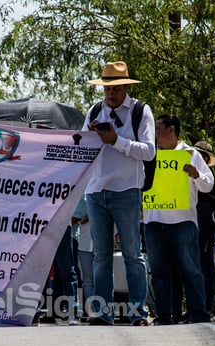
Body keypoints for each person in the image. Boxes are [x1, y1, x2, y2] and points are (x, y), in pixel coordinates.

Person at [82, 61, 156, 326]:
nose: (109, 94)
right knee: (100, 256)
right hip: (96, 191)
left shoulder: (140, 111)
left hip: (127, 189)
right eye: (106, 88)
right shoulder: (93, 111)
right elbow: (81, 151)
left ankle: (138, 313)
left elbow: (149, 151)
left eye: (114, 89)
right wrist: (89, 138)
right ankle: (102, 313)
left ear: (125, 86)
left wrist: (117, 141)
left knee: (132, 255)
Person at [142, 115, 213, 325]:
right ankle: (163, 317)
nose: (153, 134)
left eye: (158, 129)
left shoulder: (190, 154)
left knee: (190, 271)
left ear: (171, 130)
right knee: (159, 273)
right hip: (153, 222)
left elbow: (208, 185)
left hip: (183, 223)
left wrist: (196, 175)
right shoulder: (150, 154)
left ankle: (198, 315)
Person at [193, 140, 215, 318]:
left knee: (206, 269)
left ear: (206, 158)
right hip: (194, 227)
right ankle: (198, 307)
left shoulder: (208, 179)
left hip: (205, 229)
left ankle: (207, 307)